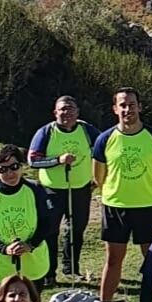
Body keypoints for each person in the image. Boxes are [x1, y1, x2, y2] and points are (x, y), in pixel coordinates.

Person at [91, 87, 152, 302]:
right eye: (123, 105)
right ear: (115, 109)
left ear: (140, 106)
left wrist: (146, 191)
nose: (128, 109)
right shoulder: (104, 139)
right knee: (114, 259)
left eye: (132, 104)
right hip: (115, 207)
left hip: (147, 207)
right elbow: (99, 178)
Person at [28, 95, 99, 285]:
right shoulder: (46, 132)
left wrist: (98, 178)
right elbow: (33, 160)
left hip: (81, 189)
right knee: (50, 231)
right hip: (51, 190)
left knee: (77, 229)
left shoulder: (87, 130)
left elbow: (103, 150)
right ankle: (49, 273)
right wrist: (57, 160)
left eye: (70, 109)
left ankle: (71, 268)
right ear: (55, 112)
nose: (66, 113)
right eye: (62, 109)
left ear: (77, 112)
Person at [0, 145, 51, 300]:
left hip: (33, 265)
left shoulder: (35, 189)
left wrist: (31, 244)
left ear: (21, 167)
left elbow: (47, 224)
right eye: (2, 169)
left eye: (14, 167)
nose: (9, 173)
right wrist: (4, 248)